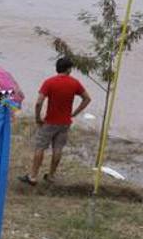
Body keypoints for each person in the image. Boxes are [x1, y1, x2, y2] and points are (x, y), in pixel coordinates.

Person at [21, 56, 92, 186]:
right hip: (65, 122)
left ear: (57, 68)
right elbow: (87, 99)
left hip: (50, 121)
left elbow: (38, 102)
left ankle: (33, 176)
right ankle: (51, 176)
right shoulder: (75, 83)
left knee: (40, 147)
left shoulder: (49, 82)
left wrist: (37, 118)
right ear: (69, 69)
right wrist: (74, 113)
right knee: (58, 149)